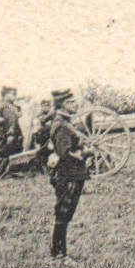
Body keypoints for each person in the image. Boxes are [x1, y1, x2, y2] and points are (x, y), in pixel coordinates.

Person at [45, 89, 89, 259]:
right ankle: (58, 255)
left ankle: (59, 253)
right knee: (63, 214)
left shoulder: (65, 122)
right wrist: (86, 153)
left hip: (72, 173)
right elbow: (65, 153)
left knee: (66, 214)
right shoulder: (62, 125)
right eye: (71, 102)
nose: (76, 104)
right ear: (62, 104)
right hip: (67, 174)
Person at [0, 88, 24, 177]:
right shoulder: (6, 107)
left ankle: (4, 169)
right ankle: (1, 172)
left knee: (7, 152)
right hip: (6, 133)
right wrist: (10, 134)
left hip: (7, 132)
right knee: (5, 152)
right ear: (5, 95)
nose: (15, 96)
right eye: (12, 94)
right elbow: (10, 122)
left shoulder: (8, 106)